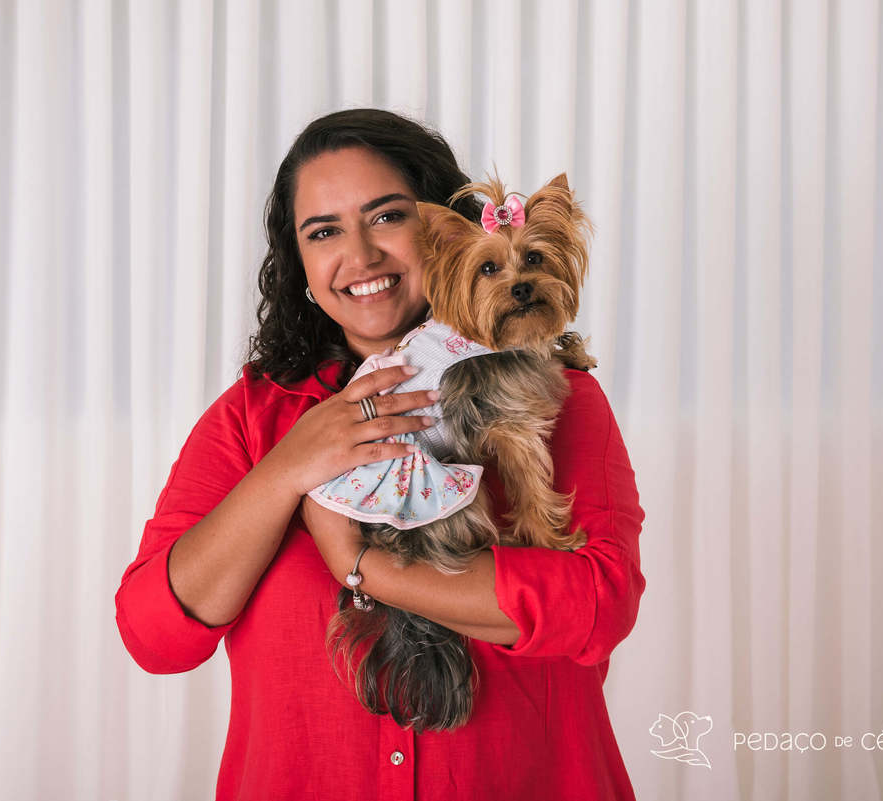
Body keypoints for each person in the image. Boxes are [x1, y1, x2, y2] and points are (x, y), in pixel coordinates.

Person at [114, 108, 647, 800]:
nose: (360, 256)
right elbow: (155, 634)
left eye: (387, 216)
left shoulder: (559, 398)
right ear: (301, 263)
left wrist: (365, 566)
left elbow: (599, 608)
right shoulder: (253, 417)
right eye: (324, 231)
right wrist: (288, 468)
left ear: (441, 231)